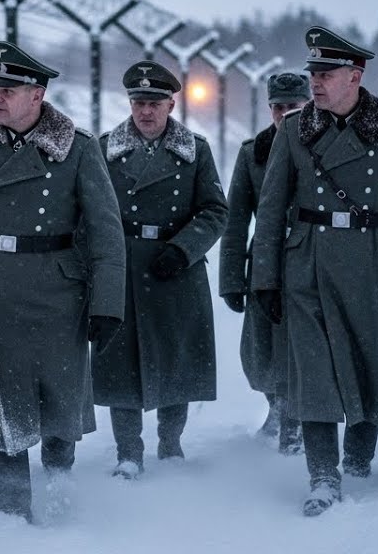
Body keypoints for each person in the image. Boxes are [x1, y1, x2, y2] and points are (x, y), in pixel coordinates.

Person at [251, 26, 378, 517]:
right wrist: (266, 280)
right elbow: (272, 210)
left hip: (374, 263)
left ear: (355, 76)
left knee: (370, 366)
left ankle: (358, 463)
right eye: (313, 72)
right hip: (309, 263)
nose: (315, 82)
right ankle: (323, 476)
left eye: (326, 73)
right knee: (314, 374)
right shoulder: (295, 130)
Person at [0, 41, 124, 521]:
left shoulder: (78, 148)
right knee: (0, 408)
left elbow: (105, 231)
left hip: (57, 292)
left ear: (37, 95)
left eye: (10, 88)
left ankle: (58, 491)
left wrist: (108, 304)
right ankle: (12, 511)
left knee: (58, 402)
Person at [93, 60, 228, 478]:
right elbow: (90, 212)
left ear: (171, 104)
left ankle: (171, 444)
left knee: (178, 358)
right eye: (138, 102)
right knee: (120, 361)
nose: (145, 111)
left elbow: (215, 211)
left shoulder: (196, 150)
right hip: (124, 266)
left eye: (154, 103)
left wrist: (182, 249)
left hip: (175, 270)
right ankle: (128, 453)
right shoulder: (105, 149)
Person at [219, 71, 310, 455]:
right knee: (261, 352)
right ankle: (278, 409)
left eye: (293, 106)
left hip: (310, 257)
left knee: (303, 347)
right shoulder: (253, 152)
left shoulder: (322, 147)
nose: (284, 113)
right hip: (264, 263)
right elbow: (236, 219)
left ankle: (297, 423)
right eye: (278, 107)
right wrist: (230, 280)